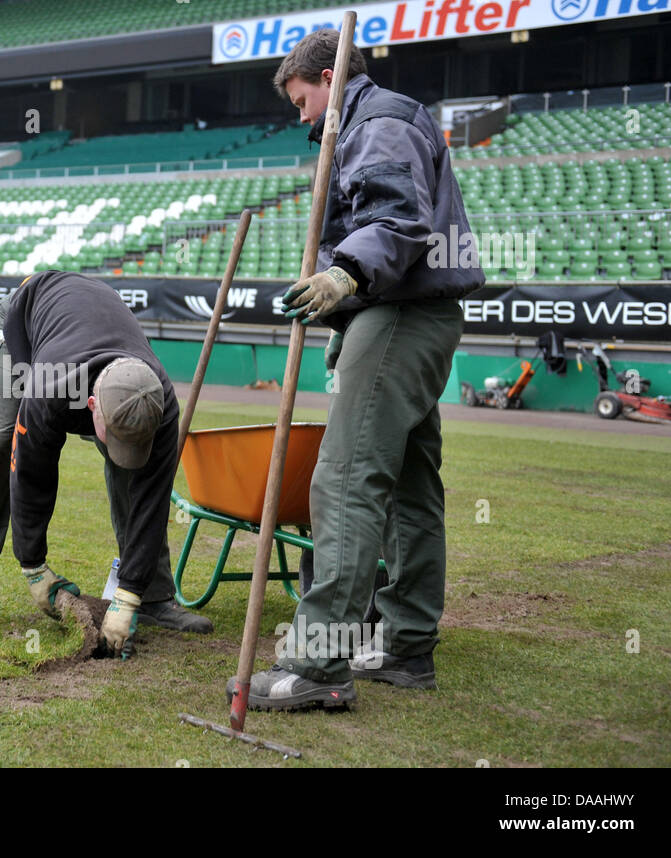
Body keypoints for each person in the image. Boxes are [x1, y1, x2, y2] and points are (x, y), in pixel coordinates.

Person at [241, 30, 483, 710]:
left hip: (401, 310)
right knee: (409, 485)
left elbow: (396, 218)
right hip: (409, 312)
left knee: (346, 478)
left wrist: (345, 273)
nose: (301, 116)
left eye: (301, 100)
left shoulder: (377, 120)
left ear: (328, 77)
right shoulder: (367, 124)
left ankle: (318, 665)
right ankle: (405, 645)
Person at [0, 270, 213, 655]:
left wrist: (128, 594)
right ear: (91, 407)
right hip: (24, 323)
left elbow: (152, 499)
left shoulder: (161, 404)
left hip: (85, 329)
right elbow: (31, 473)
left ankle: (151, 596)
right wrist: (34, 566)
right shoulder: (49, 390)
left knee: (137, 464)